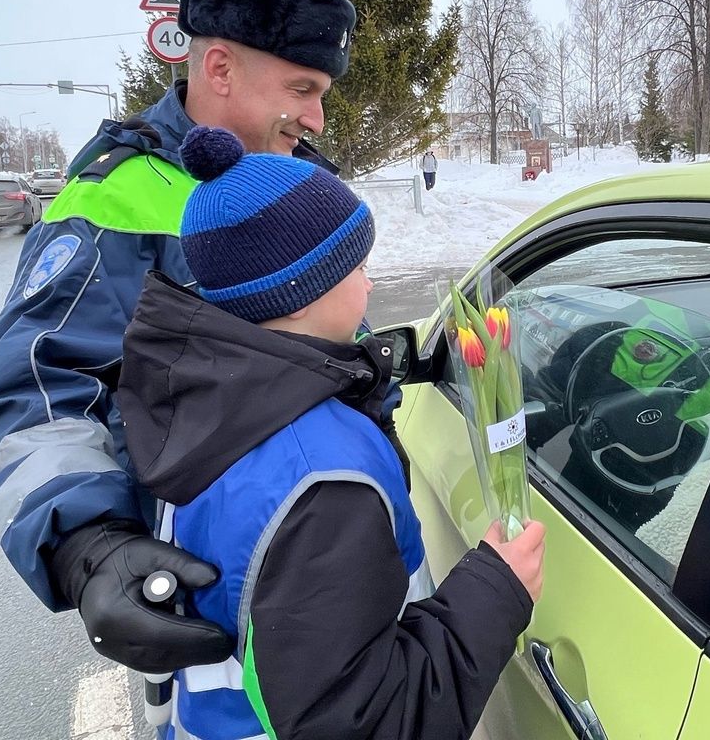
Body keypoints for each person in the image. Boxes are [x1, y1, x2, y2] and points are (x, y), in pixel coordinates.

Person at [0, 0, 359, 675]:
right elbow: (33, 390)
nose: (319, 117)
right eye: (303, 89)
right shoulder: (118, 195)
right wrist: (90, 544)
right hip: (208, 594)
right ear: (217, 69)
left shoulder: (295, 180)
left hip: (324, 563)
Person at [119, 126, 545, 739]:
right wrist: (497, 592)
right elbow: (363, 723)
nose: (370, 284)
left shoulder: (204, 407)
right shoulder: (319, 474)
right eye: (357, 267)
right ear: (297, 294)